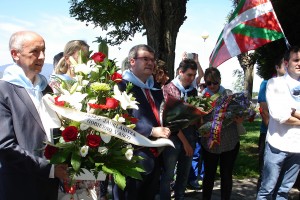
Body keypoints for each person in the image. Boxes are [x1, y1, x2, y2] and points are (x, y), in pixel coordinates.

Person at [0, 30, 68, 200]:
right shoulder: (4, 90)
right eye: (35, 51)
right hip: (21, 186)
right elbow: (5, 146)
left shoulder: (46, 89)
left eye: (44, 50)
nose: (42, 56)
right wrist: (50, 168)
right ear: (15, 54)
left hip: (49, 185)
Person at [113, 44, 171, 200]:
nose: (150, 63)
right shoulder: (121, 87)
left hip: (155, 159)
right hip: (131, 159)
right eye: (145, 59)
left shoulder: (155, 90)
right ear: (132, 61)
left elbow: (160, 117)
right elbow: (119, 120)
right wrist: (151, 131)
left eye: (152, 60)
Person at [257, 46, 300, 199]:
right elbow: (279, 115)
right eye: (296, 60)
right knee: (267, 190)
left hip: (297, 148)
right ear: (287, 63)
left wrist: (292, 110)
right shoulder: (274, 84)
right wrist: (289, 113)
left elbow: (288, 114)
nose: (299, 64)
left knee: (283, 191)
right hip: (277, 145)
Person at [201, 67, 243, 200]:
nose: (212, 86)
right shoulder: (201, 97)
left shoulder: (229, 95)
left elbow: (239, 112)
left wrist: (240, 118)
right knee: (209, 175)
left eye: (215, 82)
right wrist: (203, 130)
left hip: (229, 142)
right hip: (210, 143)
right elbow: (198, 119)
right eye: (209, 83)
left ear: (220, 80)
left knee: (226, 175)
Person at [160, 59, 199, 199]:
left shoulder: (193, 91)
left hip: (190, 135)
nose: (192, 78)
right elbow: (170, 121)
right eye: (189, 74)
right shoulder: (169, 89)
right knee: (169, 174)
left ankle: (180, 196)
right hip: (173, 138)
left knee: (184, 173)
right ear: (180, 72)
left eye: (194, 75)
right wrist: (185, 143)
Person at [256, 56, 285, 191]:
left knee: (283, 177)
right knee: (266, 173)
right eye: (283, 64)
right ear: (277, 67)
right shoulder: (267, 83)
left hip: (288, 136)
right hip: (269, 133)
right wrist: (272, 128)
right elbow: (263, 110)